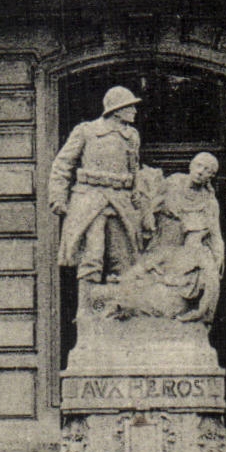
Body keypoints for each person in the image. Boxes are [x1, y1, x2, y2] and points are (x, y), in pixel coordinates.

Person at [49, 86, 146, 295]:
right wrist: (58, 197)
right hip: (91, 199)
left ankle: (120, 310)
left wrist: (137, 193)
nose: (135, 112)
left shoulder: (132, 136)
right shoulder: (86, 131)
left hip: (121, 201)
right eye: (130, 107)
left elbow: (134, 168)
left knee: (124, 259)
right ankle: (87, 311)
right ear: (117, 109)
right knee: (92, 257)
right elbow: (63, 163)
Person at [110, 152, 225, 323]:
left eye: (207, 170)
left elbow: (215, 235)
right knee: (143, 271)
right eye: (199, 165)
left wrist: (218, 260)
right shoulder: (173, 182)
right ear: (191, 165)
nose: (201, 171)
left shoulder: (209, 202)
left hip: (185, 250)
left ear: (211, 176)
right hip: (163, 237)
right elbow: (150, 206)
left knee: (168, 286)